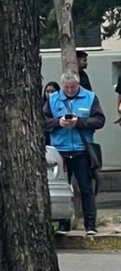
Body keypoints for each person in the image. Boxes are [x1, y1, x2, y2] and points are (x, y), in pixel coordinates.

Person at [44, 70, 106, 235]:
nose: (70, 90)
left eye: (73, 87)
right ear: (62, 86)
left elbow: (99, 120)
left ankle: (90, 225)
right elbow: (43, 121)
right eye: (67, 88)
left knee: (86, 189)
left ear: (78, 85)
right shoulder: (53, 99)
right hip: (60, 151)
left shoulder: (90, 97)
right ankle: (62, 224)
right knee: (61, 190)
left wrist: (79, 122)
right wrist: (58, 122)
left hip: (81, 150)